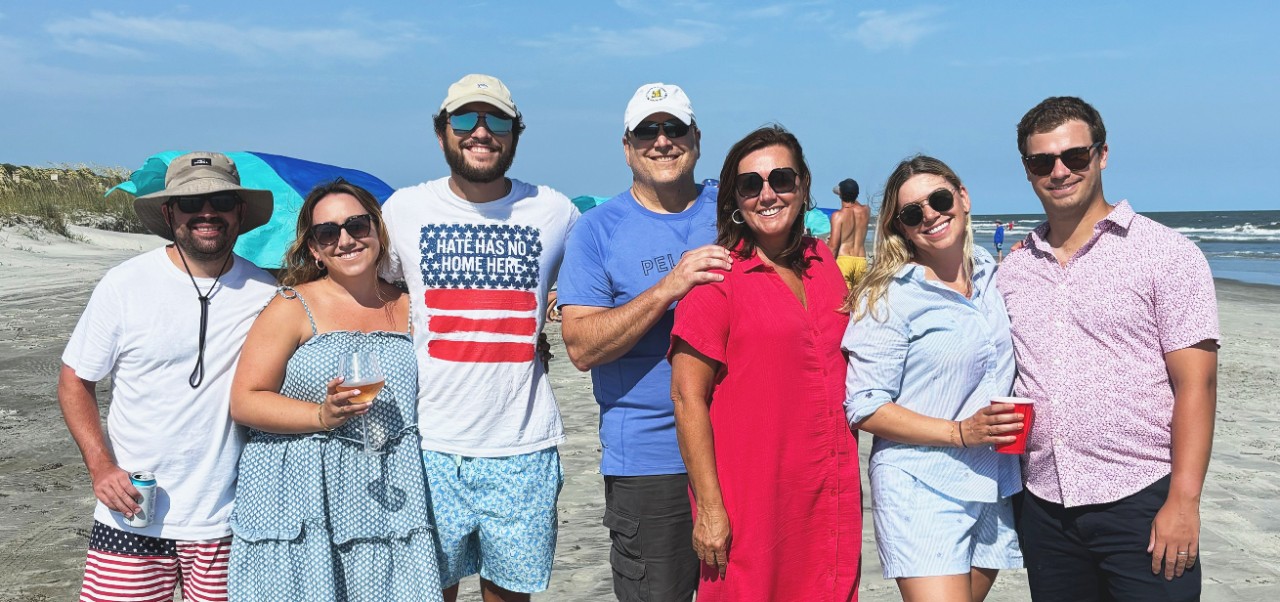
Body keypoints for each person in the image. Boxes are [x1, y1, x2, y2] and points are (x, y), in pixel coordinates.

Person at [998, 96, 1219, 601]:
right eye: (1042, 162)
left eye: (1074, 156)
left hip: (1141, 498)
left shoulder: (1167, 254)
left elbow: (1198, 384)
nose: (1060, 171)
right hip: (1043, 504)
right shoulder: (1013, 270)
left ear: (1102, 155)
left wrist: (1184, 500)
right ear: (1027, 171)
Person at [381, 73, 579, 602]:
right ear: (441, 131)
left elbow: (592, 286)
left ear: (517, 132)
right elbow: (371, 294)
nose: (481, 132)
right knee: (427, 592)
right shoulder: (403, 209)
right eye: (465, 119)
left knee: (510, 595)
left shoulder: (556, 211)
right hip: (429, 445)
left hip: (524, 445)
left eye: (497, 121)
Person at [57, 152, 277, 601]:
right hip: (131, 510)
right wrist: (100, 467)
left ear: (239, 212)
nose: (206, 212)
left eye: (220, 199)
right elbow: (75, 380)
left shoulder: (268, 294)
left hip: (229, 518)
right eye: (191, 203)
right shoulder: (124, 284)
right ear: (168, 212)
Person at [226, 180, 444, 600]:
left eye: (357, 225)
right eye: (327, 233)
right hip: (302, 489)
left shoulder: (414, 305)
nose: (345, 240)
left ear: (378, 231)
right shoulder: (291, 305)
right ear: (313, 248)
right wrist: (319, 416)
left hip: (388, 488)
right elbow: (246, 399)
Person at [669, 125, 861, 600]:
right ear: (735, 197)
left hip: (826, 492)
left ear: (803, 185)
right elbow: (686, 396)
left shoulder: (823, 263)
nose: (767, 194)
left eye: (781, 179)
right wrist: (710, 508)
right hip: (753, 501)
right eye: (751, 185)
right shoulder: (717, 278)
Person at [558, 82, 726, 602]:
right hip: (650, 462)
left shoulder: (735, 211)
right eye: (647, 131)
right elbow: (581, 347)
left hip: (738, 445)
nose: (662, 141)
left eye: (674, 128)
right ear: (627, 146)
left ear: (695, 139)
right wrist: (669, 287)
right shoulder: (596, 231)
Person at [842, 155, 1024, 601]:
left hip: (994, 482)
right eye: (912, 213)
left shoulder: (991, 274)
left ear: (962, 198)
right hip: (920, 483)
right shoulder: (890, 296)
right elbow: (864, 404)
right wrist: (961, 432)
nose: (930, 215)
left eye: (939, 199)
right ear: (901, 227)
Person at [828, 178, 871, 286]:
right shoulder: (866, 210)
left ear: (841, 195)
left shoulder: (838, 216)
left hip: (844, 261)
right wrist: (849, 194)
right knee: (858, 300)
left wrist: (826, 269)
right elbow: (854, 202)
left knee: (843, 301)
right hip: (861, 261)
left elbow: (833, 247)